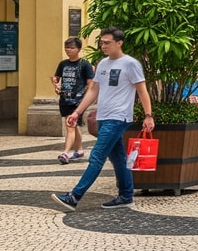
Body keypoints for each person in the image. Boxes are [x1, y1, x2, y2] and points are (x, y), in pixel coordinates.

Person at [51, 28, 152, 211]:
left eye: (107, 42)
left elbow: (142, 90)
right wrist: (77, 112)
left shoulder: (130, 64)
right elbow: (93, 90)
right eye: (102, 42)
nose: (103, 46)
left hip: (118, 117)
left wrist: (148, 115)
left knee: (97, 156)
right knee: (119, 158)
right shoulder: (103, 64)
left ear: (119, 43)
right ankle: (126, 196)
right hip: (103, 116)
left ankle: (74, 197)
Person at [52, 37, 94, 164]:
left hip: (77, 101)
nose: (68, 50)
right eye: (66, 47)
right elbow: (56, 79)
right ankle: (79, 150)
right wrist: (56, 86)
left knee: (70, 125)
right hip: (65, 99)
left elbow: (91, 85)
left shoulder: (84, 64)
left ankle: (65, 153)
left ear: (79, 49)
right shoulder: (63, 64)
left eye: (71, 48)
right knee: (74, 126)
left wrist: (85, 98)